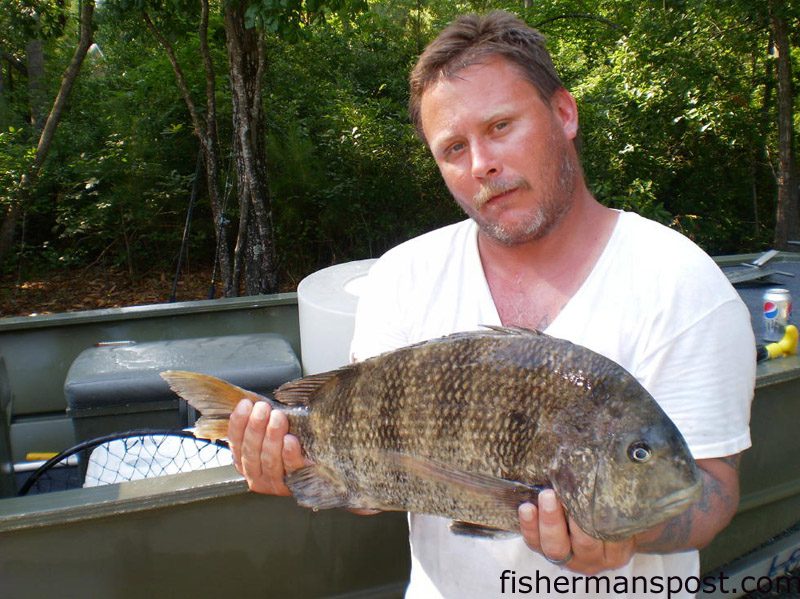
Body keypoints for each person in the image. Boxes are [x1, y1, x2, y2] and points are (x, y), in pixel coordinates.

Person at [226, 10, 755, 598]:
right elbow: (381, 478)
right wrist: (300, 462)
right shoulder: (402, 277)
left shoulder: (682, 285)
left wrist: (633, 528)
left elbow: (712, 487)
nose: (482, 165)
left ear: (564, 112)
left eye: (501, 126)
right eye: (454, 148)